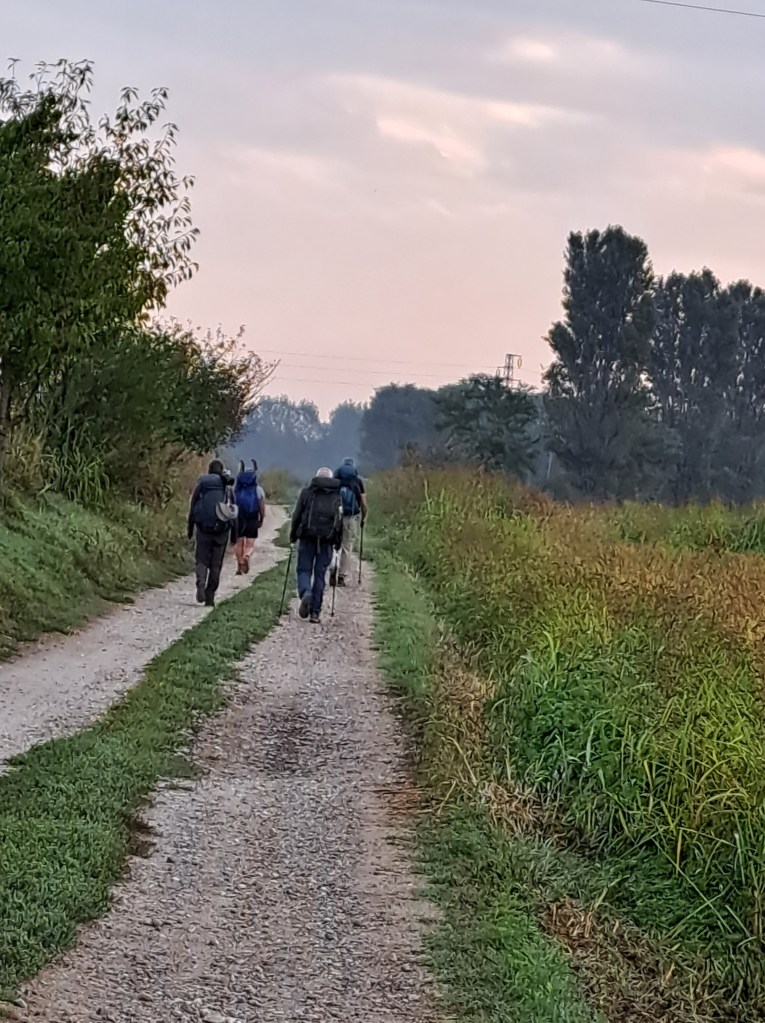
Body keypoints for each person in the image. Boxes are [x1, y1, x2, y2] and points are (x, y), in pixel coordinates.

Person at [289, 466, 343, 624]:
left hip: (307, 537)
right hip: (326, 540)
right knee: (320, 575)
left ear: (317, 477)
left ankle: (305, 592)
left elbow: (297, 515)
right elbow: (339, 521)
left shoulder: (307, 492)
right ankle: (314, 613)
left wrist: (293, 535)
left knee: (304, 570)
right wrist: (338, 541)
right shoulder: (336, 496)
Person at [187, 459, 238, 607]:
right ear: (221, 471)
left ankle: (200, 583)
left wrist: (190, 529)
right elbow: (233, 512)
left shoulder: (202, 486)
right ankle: (210, 597)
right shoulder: (227, 487)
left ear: (209, 471)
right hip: (221, 531)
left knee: (201, 559)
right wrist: (234, 534)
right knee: (216, 564)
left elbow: (193, 508)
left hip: (203, 529)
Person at [333, 457, 367, 586]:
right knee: (346, 547)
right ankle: (341, 576)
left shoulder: (335, 481)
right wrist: (363, 519)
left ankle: (333, 565)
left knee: (331, 543)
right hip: (350, 517)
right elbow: (364, 504)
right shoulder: (358, 482)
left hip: (334, 516)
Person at [234, 459, 266, 575]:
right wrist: (261, 519)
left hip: (239, 518)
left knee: (239, 542)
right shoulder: (258, 490)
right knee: (250, 543)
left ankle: (239, 566)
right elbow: (261, 506)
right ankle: (246, 556)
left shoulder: (237, 489)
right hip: (252, 518)